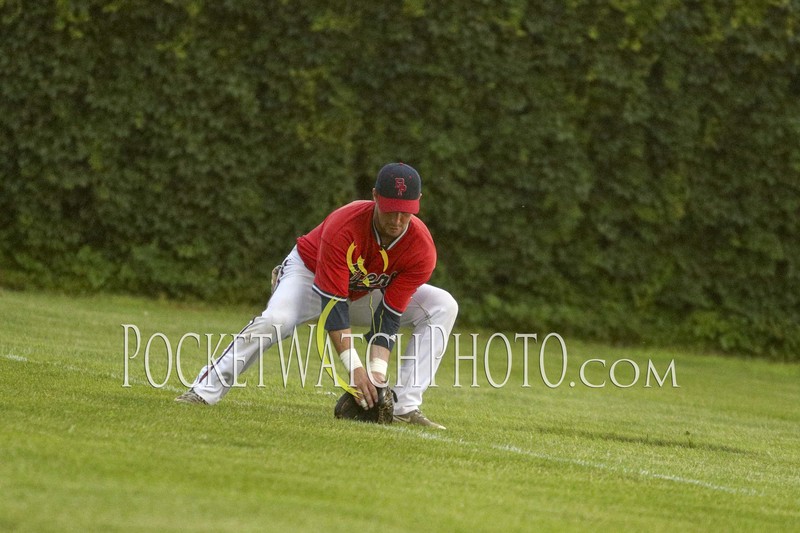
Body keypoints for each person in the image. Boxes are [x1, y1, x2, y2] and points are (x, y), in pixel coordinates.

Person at [176, 162, 458, 429]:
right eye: (390, 210)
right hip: (310, 276)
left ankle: (403, 406)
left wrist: (376, 374)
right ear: (374, 196)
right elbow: (333, 307)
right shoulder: (345, 225)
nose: (397, 220)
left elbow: (389, 315)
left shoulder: (421, 248)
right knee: (277, 320)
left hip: (363, 292)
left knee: (442, 305)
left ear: (419, 201)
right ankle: (204, 390)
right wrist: (355, 369)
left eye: (406, 211)